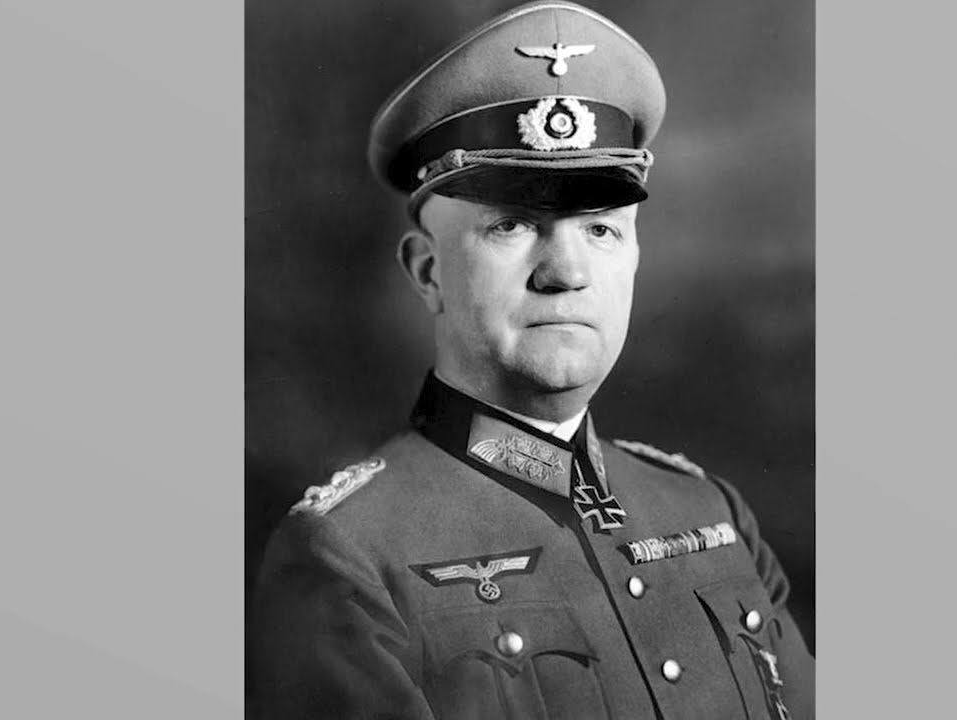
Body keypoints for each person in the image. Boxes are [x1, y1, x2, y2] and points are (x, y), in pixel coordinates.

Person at [250, 2, 814, 718]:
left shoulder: (711, 512)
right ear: (426, 271)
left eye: (602, 230)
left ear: (635, 256)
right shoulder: (347, 558)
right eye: (512, 224)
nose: (567, 272)